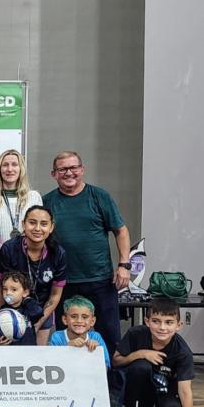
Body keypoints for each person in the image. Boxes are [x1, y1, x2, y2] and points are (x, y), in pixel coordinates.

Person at [43, 151, 130, 387]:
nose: (68, 173)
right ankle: (72, 390)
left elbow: (120, 230)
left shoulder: (99, 196)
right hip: (64, 282)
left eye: (73, 168)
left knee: (110, 337)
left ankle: (115, 394)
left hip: (100, 280)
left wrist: (124, 265)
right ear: (54, 174)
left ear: (82, 169)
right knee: (67, 338)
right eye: (62, 169)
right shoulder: (47, 201)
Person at [112, 298, 204, 407]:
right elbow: (116, 361)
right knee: (141, 365)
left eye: (169, 322)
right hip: (138, 388)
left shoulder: (183, 352)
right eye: (156, 321)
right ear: (147, 321)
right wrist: (140, 354)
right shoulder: (135, 334)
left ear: (179, 325)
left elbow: (185, 391)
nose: (162, 327)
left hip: (165, 389)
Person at [0, 205, 66, 345]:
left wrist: (38, 323)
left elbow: (55, 295)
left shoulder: (58, 253)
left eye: (44, 224)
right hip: (13, 309)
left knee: (36, 356)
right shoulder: (9, 249)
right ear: (23, 224)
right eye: (32, 222)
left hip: (42, 309)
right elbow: (1, 289)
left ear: (51, 227)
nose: (38, 228)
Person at [0, 149, 42, 242]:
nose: (9, 169)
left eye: (14, 164)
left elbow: (39, 229)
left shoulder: (34, 197)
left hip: (27, 254)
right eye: (5, 165)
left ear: (21, 169)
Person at [49, 295, 110, 367]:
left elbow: (106, 367)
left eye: (84, 317)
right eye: (73, 316)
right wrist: (67, 348)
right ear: (65, 320)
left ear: (92, 321)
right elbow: (51, 365)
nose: (79, 321)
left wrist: (96, 350)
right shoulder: (57, 337)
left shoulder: (96, 337)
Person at [0, 271, 43, 346]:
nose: (8, 293)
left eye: (14, 289)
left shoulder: (28, 306)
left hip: (29, 351)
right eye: (5, 289)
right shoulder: (3, 312)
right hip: (11, 353)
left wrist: (27, 300)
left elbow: (38, 313)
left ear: (25, 292)